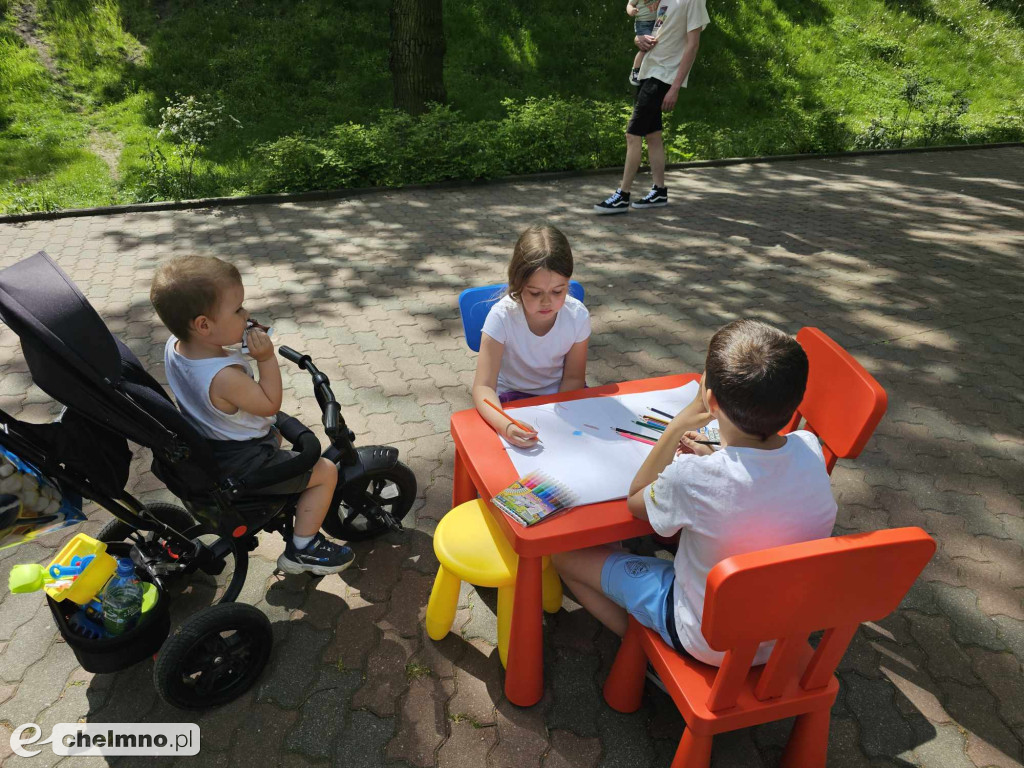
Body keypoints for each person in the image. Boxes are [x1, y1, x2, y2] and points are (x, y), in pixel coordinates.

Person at [552, 319, 838, 667]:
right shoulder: (810, 449)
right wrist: (718, 457)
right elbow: (758, 486)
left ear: (710, 400)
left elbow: (637, 501)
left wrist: (677, 425)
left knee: (564, 557)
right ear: (793, 404)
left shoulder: (693, 478)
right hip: (782, 633)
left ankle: (645, 654)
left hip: (705, 640)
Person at [150, 255, 354, 575]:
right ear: (203, 325)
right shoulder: (225, 377)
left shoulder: (177, 344)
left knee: (283, 442)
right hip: (243, 459)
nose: (247, 314)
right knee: (325, 470)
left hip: (214, 439)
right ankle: (304, 548)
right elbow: (270, 403)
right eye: (238, 309)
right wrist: (265, 358)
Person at [471, 225, 590, 449]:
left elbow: (574, 378)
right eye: (535, 293)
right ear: (517, 285)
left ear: (568, 283)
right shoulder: (502, 316)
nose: (547, 302)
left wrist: (558, 415)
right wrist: (505, 425)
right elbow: (483, 387)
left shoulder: (577, 315)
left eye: (558, 291)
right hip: (510, 401)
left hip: (561, 395)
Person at [594, 0, 711, 214]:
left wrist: (675, 87)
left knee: (633, 134)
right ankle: (659, 191)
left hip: (664, 74)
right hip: (648, 69)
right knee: (652, 134)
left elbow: (693, 45)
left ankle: (623, 195)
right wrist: (638, 39)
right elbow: (650, 25)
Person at [627, 0, 660, 86]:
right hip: (643, 22)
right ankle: (635, 71)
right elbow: (630, 4)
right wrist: (631, 11)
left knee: (655, 45)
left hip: (657, 20)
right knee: (645, 47)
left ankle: (647, 69)